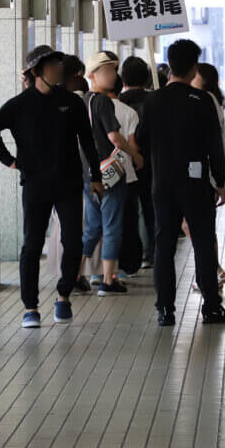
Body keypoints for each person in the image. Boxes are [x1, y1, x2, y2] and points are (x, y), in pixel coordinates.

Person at [0, 45, 104, 328]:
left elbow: (88, 141)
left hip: (70, 183)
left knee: (73, 240)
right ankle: (30, 307)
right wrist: (8, 160)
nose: (58, 70)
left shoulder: (72, 102)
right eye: (51, 65)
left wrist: (96, 177)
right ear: (38, 71)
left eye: (59, 64)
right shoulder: (19, 104)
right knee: (32, 244)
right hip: (36, 184)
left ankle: (64, 295)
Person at [135, 39, 225, 327]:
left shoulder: (152, 101)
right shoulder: (202, 100)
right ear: (194, 68)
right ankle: (211, 307)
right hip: (195, 185)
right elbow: (214, 145)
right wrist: (220, 181)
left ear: (170, 66)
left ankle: (165, 309)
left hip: (162, 185)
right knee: (204, 244)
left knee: (164, 245)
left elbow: (140, 141)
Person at [78, 51, 133, 296]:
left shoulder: (82, 101)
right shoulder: (102, 101)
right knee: (111, 225)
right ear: (93, 75)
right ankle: (108, 280)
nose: (113, 75)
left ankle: (76, 275)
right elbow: (115, 138)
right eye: (107, 71)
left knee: (92, 227)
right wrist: (136, 155)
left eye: (113, 70)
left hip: (88, 174)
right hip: (109, 173)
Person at [189, 63, 225, 289]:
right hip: (208, 173)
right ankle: (212, 269)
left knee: (200, 226)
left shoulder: (205, 100)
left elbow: (211, 142)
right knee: (201, 226)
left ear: (203, 79)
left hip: (205, 173)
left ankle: (213, 270)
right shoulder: (210, 99)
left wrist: (218, 179)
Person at [119, 55, 156, 268]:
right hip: (152, 164)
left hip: (125, 165)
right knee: (151, 211)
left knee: (129, 212)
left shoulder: (117, 102)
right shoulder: (154, 100)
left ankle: (131, 259)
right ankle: (153, 252)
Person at [108, 74, 146, 275]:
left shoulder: (94, 107)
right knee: (128, 222)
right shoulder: (129, 112)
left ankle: (103, 270)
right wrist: (137, 157)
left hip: (103, 174)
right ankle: (126, 265)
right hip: (126, 174)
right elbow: (131, 143)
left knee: (106, 223)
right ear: (120, 88)